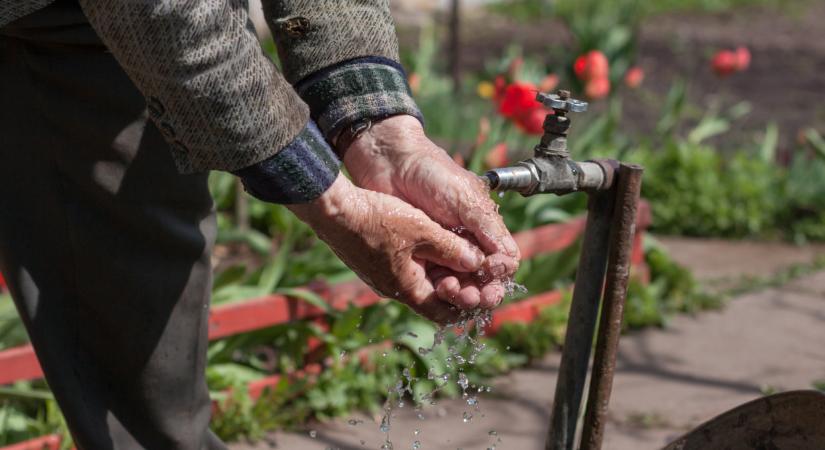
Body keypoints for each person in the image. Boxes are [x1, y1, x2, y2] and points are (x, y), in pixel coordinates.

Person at [0, 0, 520, 448]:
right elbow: (168, 14)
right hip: (64, 27)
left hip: (104, 32)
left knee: (148, 396)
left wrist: (380, 129)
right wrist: (330, 201)